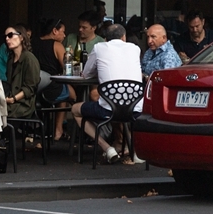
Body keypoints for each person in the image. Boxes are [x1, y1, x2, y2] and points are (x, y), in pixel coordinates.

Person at [72, 24, 143, 165]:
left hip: (109, 109)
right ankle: (133, 151)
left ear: (105, 39)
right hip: (135, 109)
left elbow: (86, 74)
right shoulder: (135, 49)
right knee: (119, 106)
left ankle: (107, 147)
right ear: (124, 37)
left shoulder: (99, 48)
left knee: (75, 110)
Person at [33, 18, 73, 141]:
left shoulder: (33, 43)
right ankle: (59, 129)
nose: (64, 35)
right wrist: (69, 55)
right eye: (63, 31)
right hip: (51, 86)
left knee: (65, 89)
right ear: (55, 31)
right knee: (72, 95)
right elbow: (67, 69)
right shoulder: (57, 45)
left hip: (33, 88)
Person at [2, 25, 39, 121]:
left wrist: (13, 99)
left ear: (21, 37)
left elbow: (30, 88)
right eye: (5, 36)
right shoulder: (10, 59)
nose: (7, 39)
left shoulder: (29, 58)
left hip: (23, 103)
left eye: (10, 35)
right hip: (11, 100)